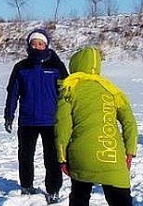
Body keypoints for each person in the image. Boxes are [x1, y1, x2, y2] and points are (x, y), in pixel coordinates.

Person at [55, 46, 138, 206]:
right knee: (121, 200)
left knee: (79, 197)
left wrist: (61, 157)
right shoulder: (113, 91)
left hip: (81, 155)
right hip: (112, 155)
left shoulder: (69, 88)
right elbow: (130, 123)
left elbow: (62, 126)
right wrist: (130, 151)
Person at [4, 29, 69, 204]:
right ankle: (26, 186)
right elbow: (12, 93)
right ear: (29, 46)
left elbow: (67, 94)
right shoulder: (21, 67)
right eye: (33, 44)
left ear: (46, 45)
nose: (37, 47)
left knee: (53, 158)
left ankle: (53, 190)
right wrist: (9, 115)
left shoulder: (56, 67)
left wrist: (70, 117)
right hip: (27, 121)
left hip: (51, 121)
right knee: (25, 156)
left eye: (40, 44)